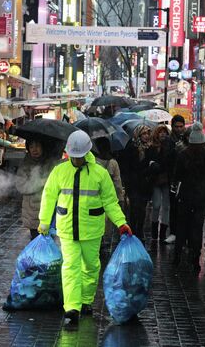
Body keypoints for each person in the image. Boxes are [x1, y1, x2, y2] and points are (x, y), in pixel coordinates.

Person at [37, 130, 132, 323]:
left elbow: (110, 201)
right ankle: (72, 307)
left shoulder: (100, 173)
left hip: (92, 230)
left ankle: (86, 300)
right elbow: (49, 196)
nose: (76, 160)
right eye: (74, 156)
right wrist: (44, 221)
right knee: (70, 266)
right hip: (67, 229)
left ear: (87, 153)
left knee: (90, 266)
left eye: (79, 156)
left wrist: (121, 223)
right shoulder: (60, 171)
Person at [172, 122, 205, 270]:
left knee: (182, 225)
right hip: (202, 195)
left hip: (186, 194)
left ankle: (177, 257)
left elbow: (178, 175)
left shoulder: (184, 154)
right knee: (197, 226)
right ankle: (195, 258)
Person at [15, 139, 59, 240]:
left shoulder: (51, 161)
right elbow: (21, 186)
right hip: (33, 212)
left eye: (37, 146)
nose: (35, 149)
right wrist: (41, 182)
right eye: (31, 147)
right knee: (36, 243)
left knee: (49, 243)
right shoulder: (25, 164)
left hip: (50, 211)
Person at [119, 125, 153, 244]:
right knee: (134, 209)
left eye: (148, 133)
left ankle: (140, 231)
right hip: (133, 184)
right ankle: (133, 231)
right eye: (144, 134)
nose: (146, 136)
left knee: (142, 209)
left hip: (144, 184)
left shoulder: (150, 148)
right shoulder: (131, 147)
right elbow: (127, 167)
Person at [165, 115, 188, 244]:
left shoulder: (187, 139)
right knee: (173, 206)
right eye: (176, 127)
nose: (179, 129)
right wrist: (175, 150)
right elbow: (166, 158)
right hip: (173, 178)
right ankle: (173, 231)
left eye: (181, 126)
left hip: (185, 179)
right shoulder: (169, 140)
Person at [147, 125, 171, 242]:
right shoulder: (152, 147)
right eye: (160, 132)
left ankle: (162, 233)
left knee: (166, 206)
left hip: (166, 179)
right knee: (156, 205)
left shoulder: (170, 146)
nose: (162, 134)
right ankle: (154, 231)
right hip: (156, 180)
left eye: (164, 132)